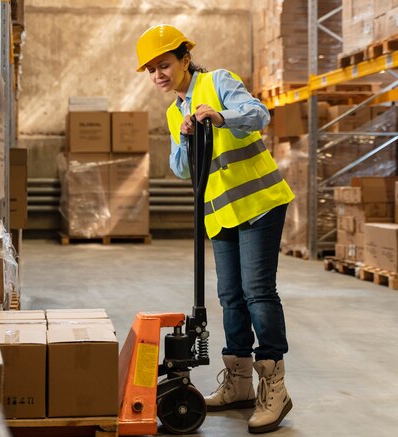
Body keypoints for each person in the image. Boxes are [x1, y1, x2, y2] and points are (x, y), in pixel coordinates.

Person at [135, 24, 295, 434]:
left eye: (164, 65)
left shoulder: (218, 81)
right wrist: (186, 138)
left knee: (258, 292)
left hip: (259, 204)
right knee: (230, 296)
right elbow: (180, 167)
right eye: (152, 70)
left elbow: (259, 115)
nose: (159, 75)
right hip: (220, 214)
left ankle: (274, 386)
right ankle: (239, 383)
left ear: (185, 58)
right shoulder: (174, 112)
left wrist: (220, 116)